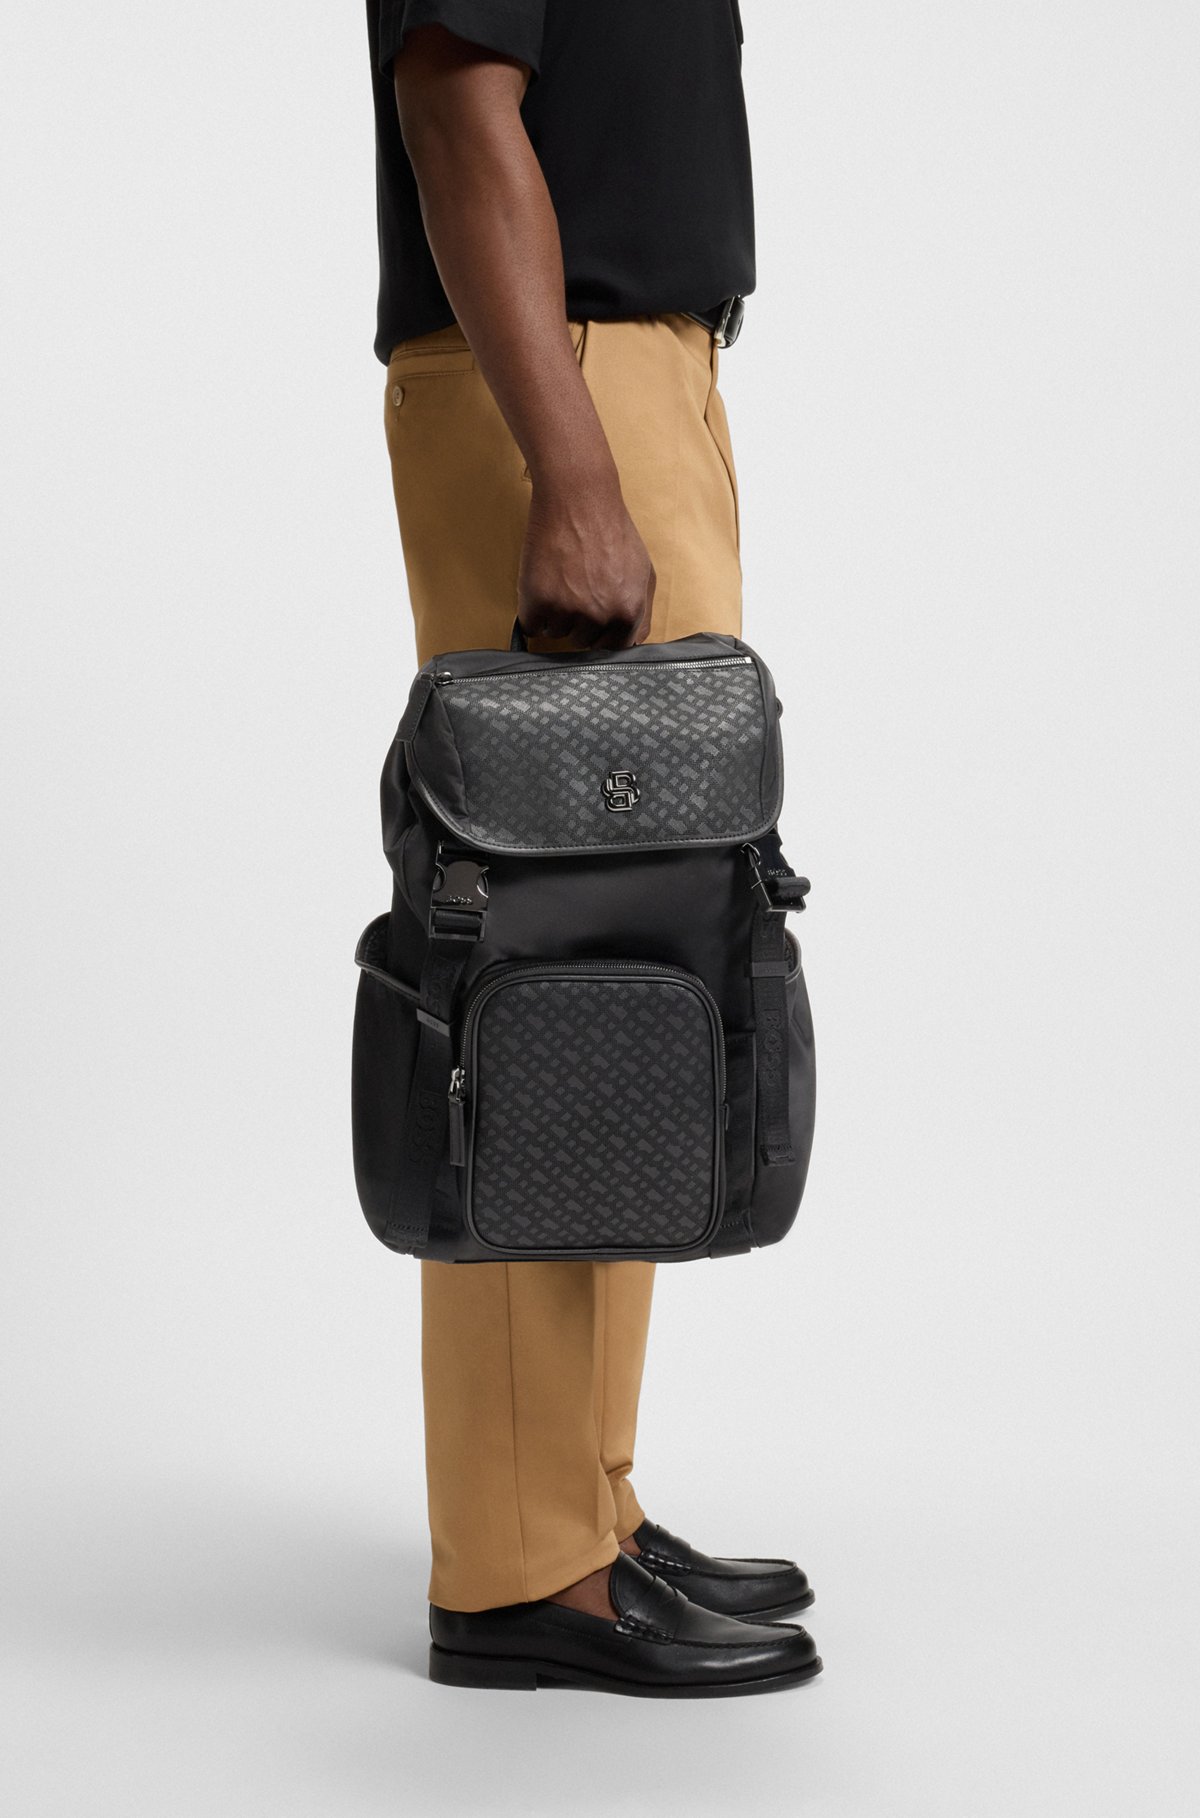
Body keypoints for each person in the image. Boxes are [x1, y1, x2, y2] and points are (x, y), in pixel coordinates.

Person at [365, 0, 821, 1695]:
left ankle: (583, 1501)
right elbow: (456, 99)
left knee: (636, 951)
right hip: (561, 378)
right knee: (544, 966)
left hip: (630, 370)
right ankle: (520, 1561)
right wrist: (575, 463)